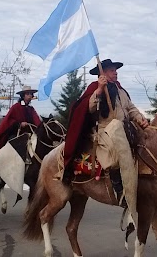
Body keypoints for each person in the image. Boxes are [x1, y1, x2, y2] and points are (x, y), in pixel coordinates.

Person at [62, 59, 149, 207]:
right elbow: (88, 107)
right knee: (117, 153)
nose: (115, 72)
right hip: (104, 130)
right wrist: (99, 90)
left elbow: (131, 108)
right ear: (102, 73)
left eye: (115, 70)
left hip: (124, 129)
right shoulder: (95, 88)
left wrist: (141, 119)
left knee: (146, 145)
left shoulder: (121, 90)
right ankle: (119, 189)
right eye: (111, 70)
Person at [0, 85, 42, 160]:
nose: (30, 96)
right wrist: (19, 124)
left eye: (31, 94)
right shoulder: (16, 107)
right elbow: (8, 120)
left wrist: (41, 127)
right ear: (23, 96)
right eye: (28, 94)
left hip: (29, 135)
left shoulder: (31, 109)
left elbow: (37, 122)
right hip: (16, 134)